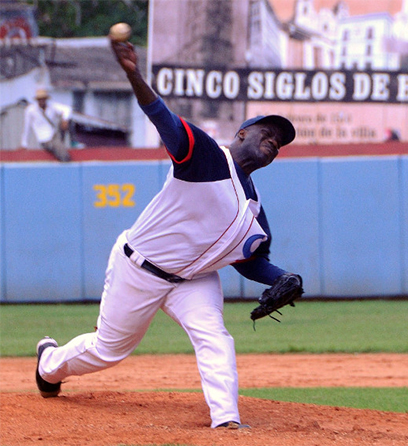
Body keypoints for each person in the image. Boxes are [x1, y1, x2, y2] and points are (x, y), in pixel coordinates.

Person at [34, 39, 301, 430]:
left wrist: (282, 278)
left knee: (214, 336)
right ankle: (49, 364)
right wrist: (134, 75)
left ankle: (226, 422)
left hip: (193, 280)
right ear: (242, 133)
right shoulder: (207, 156)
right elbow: (164, 119)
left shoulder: (255, 209)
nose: (275, 140)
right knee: (109, 350)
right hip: (140, 267)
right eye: (268, 132)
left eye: (280, 141)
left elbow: (250, 260)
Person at [21, 88, 72, 162]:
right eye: (40, 99)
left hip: (55, 135)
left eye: (43, 99)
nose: (42, 101)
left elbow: (67, 109)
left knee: (68, 119)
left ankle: (73, 142)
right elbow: (27, 127)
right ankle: (66, 162)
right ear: (37, 100)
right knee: (61, 152)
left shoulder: (51, 106)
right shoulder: (30, 110)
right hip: (45, 139)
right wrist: (24, 144)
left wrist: (65, 119)